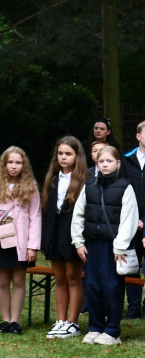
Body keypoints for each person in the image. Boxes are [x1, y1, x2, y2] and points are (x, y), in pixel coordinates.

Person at [70, 146, 139, 345]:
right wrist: (78, 242)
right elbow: (79, 214)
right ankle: (95, 327)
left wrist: (120, 246)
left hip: (114, 247)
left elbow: (129, 220)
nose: (105, 165)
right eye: (101, 162)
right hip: (93, 244)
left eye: (109, 161)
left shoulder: (125, 187)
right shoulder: (89, 185)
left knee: (111, 287)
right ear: (96, 164)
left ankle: (112, 330)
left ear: (118, 163)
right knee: (93, 286)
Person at [40, 137, 89, 339]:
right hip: (54, 232)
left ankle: (73, 322)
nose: (63, 157)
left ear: (77, 156)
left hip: (72, 234)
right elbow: (46, 210)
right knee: (59, 278)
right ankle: (60, 321)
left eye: (68, 154)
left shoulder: (85, 180)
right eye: (60, 153)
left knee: (73, 277)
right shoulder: (52, 180)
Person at [121, 120, 145, 319]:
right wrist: (133, 219)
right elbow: (123, 191)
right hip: (131, 222)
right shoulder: (126, 159)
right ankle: (133, 305)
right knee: (131, 264)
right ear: (138, 136)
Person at [0, 147, 41, 335]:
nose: (14, 166)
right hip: (1, 239)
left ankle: (15, 320)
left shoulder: (30, 186)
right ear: (4, 164)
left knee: (18, 281)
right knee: (2, 282)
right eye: (10, 162)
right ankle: (5, 320)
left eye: (18, 162)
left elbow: (35, 216)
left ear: (23, 165)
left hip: (21, 241)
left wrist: (33, 245)